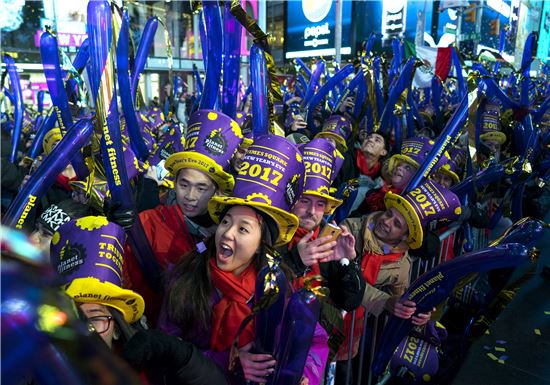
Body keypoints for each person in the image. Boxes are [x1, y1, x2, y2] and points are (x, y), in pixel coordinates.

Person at [159, 135, 329, 385]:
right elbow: (166, 351)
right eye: (226, 222)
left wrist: (303, 374)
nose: (227, 233)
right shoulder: (185, 278)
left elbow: (313, 340)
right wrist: (229, 361)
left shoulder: (279, 285)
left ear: (261, 243)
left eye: (243, 229)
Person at [49, 215, 227, 384]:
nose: (86, 330)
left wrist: (180, 354)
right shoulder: (41, 372)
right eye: (73, 317)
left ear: (116, 328)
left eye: (95, 318)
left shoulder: (150, 373)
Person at [123, 109, 244, 325]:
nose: (190, 196)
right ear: (174, 183)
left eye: (201, 188)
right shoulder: (149, 222)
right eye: (184, 185)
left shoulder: (228, 234)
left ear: (216, 191)